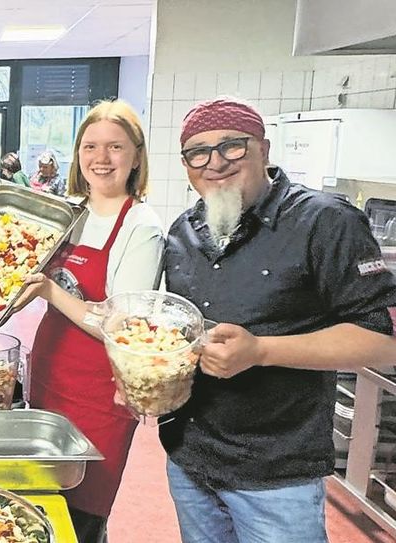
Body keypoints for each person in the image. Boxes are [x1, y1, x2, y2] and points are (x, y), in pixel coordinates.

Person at [161, 97, 396, 542]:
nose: (215, 163)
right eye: (198, 152)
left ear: (264, 150)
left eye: (232, 146)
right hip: (190, 456)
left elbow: (381, 340)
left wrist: (262, 350)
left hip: (275, 471)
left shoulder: (325, 222)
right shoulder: (183, 232)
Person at [0, 100, 164, 542]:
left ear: (136, 155)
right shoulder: (66, 213)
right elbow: (8, 276)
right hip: (48, 377)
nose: (101, 158)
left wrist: (49, 290)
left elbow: (121, 327)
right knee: (39, 507)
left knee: (81, 516)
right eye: (90, 146)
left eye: (115, 147)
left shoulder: (141, 226)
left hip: (101, 394)